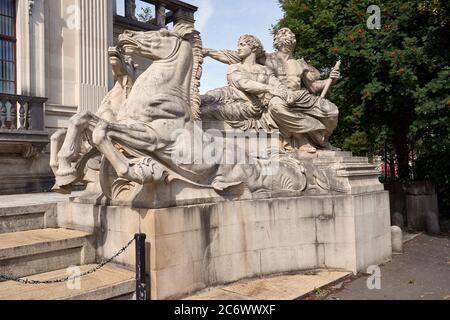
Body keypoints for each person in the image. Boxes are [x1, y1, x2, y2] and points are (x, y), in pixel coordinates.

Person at [203, 28, 341, 153]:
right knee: (277, 107)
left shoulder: (301, 64)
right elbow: (235, 56)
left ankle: (322, 141)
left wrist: (331, 80)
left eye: (288, 39)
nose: (285, 41)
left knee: (331, 111)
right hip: (277, 97)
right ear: (277, 43)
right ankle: (303, 139)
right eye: (281, 39)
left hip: (299, 96)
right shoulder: (267, 58)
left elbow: (313, 86)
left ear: (293, 42)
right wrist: (209, 52)